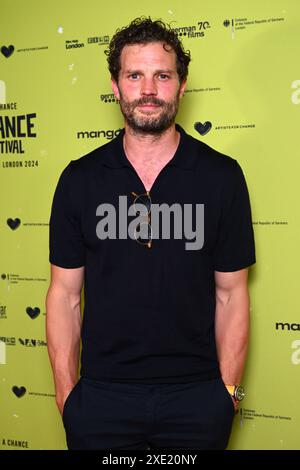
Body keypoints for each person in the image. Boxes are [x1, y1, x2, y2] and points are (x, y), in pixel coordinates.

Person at [46, 17, 256, 450]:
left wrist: (227, 395)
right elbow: (64, 295)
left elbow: (232, 293)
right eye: (135, 75)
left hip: (196, 399)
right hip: (102, 398)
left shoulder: (221, 177)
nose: (148, 89)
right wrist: (69, 399)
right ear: (115, 85)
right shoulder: (79, 180)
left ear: (181, 86)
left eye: (162, 75)